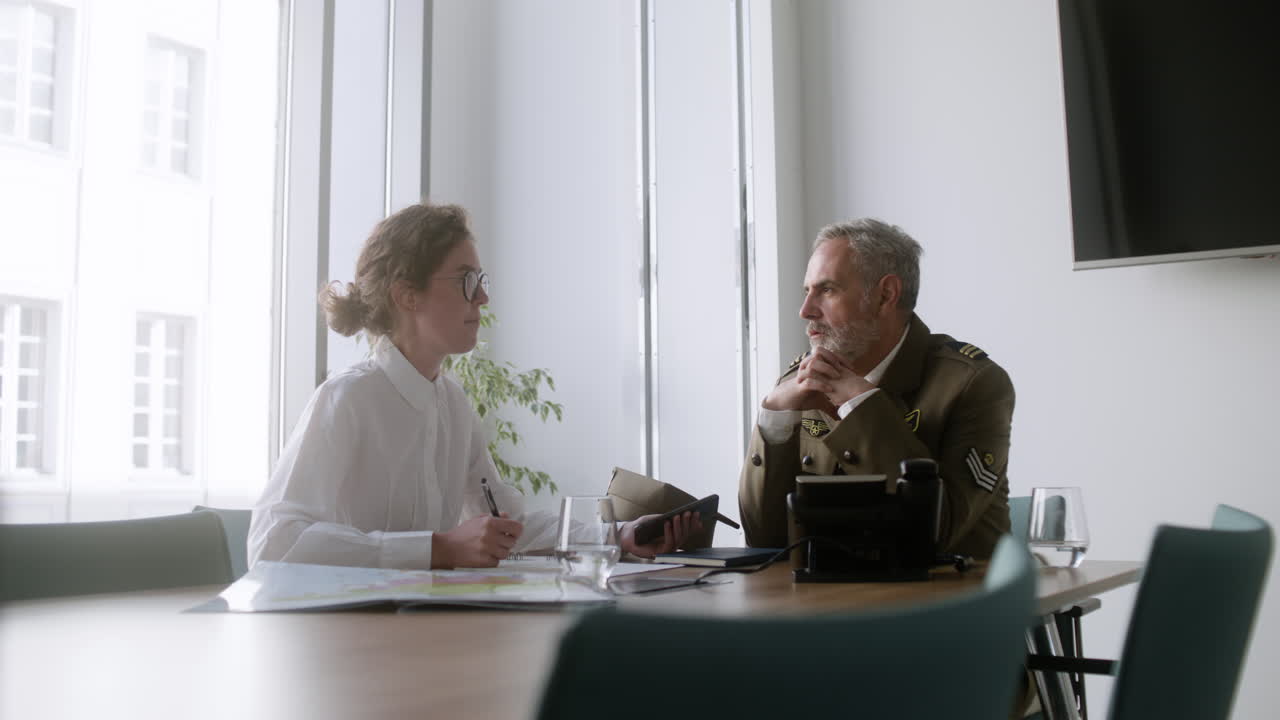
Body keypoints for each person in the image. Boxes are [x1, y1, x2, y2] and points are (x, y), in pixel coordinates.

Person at [249, 202, 696, 570]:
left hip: (423, 634)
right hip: (347, 647)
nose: (483, 298)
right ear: (407, 294)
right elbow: (271, 543)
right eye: (466, 281)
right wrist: (437, 548)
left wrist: (619, 535)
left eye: (480, 281)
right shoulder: (347, 398)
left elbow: (504, 525)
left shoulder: (452, 403)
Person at [737, 218, 1013, 558]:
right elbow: (765, 539)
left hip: (944, 605)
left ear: (885, 295)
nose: (805, 311)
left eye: (827, 290)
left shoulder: (971, 383)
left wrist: (861, 405)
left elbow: (935, 534)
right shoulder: (798, 385)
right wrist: (774, 416)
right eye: (807, 291)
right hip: (824, 604)